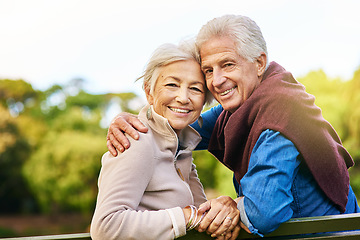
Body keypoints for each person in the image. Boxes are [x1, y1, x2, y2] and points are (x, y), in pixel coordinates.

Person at [106, 14, 360, 237]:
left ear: (259, 63)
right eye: (208, 70)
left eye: (228, 64)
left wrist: (233, 204)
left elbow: (264, 215)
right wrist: (132, 121)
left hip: (326, 236)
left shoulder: (281, 115)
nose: (216, 81)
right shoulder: (244, 107)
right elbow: (179, 125)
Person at [90, 40, 241, 240]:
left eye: (195, 89)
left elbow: (200, 217)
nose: (183, 98)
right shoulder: (136, 141)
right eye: (172, 85)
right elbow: (105, 227)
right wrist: (188, 216)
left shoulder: (183, 149)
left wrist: (224, 212)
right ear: (149, 92)